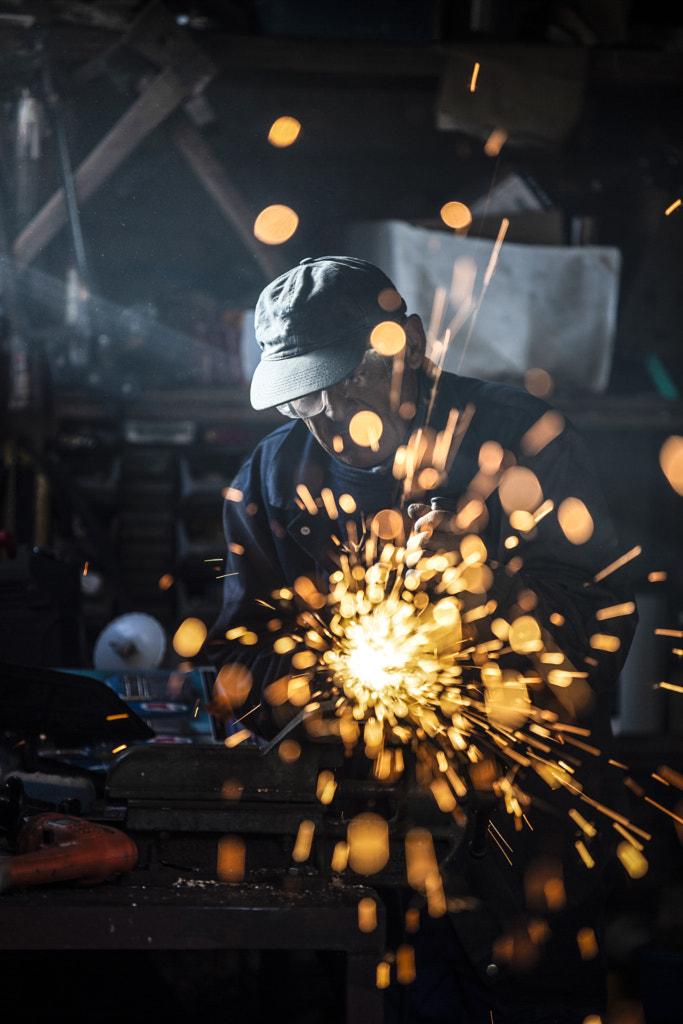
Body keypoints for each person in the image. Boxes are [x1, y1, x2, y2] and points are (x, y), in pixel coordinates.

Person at [206, 255, 637, 1023]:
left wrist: (487, 593)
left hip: (520, 835)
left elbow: (600, 617)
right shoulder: (273, 479)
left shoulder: (520, 440)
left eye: (350, 384)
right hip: (364, 844)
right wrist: (332, 671)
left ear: (405, 341)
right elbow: (238, 666)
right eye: (310, 399)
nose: (333, 418)